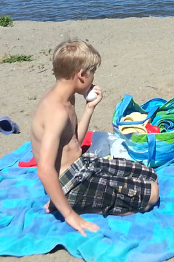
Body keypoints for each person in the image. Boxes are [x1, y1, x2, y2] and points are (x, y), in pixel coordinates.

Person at [31, 39, 159, 235]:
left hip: (82, 166)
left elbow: (74, 143)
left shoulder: (66, 97)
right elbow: (45, 170)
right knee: (152, 195)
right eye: (92, 74)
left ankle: (70, 199)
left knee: (149, 174)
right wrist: (70, 216)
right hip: (71, 182)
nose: (93, 80)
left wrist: (89, 108)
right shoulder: (55, 111)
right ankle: (74, 203)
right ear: (81, 75)